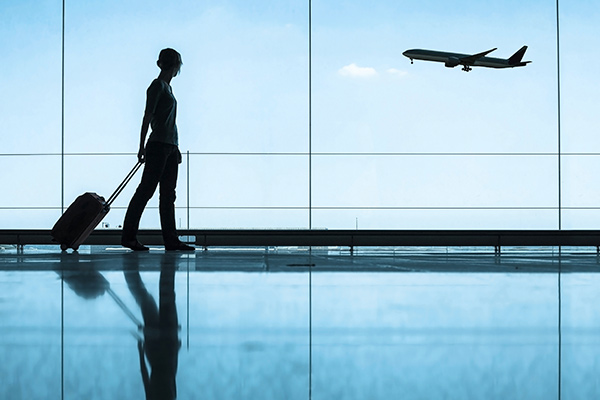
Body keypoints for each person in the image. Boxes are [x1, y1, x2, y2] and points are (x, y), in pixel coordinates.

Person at [121, 48, 194, 251]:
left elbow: (167, 122)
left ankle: (171, 240)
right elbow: (148, 116)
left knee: (167, 194)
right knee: (147, 191)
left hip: (169, 146)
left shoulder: (168, 89)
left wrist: (175, 146)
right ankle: (129, 237)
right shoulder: (157, 86)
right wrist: (141, 145)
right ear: (175, 65)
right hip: (159, 146)